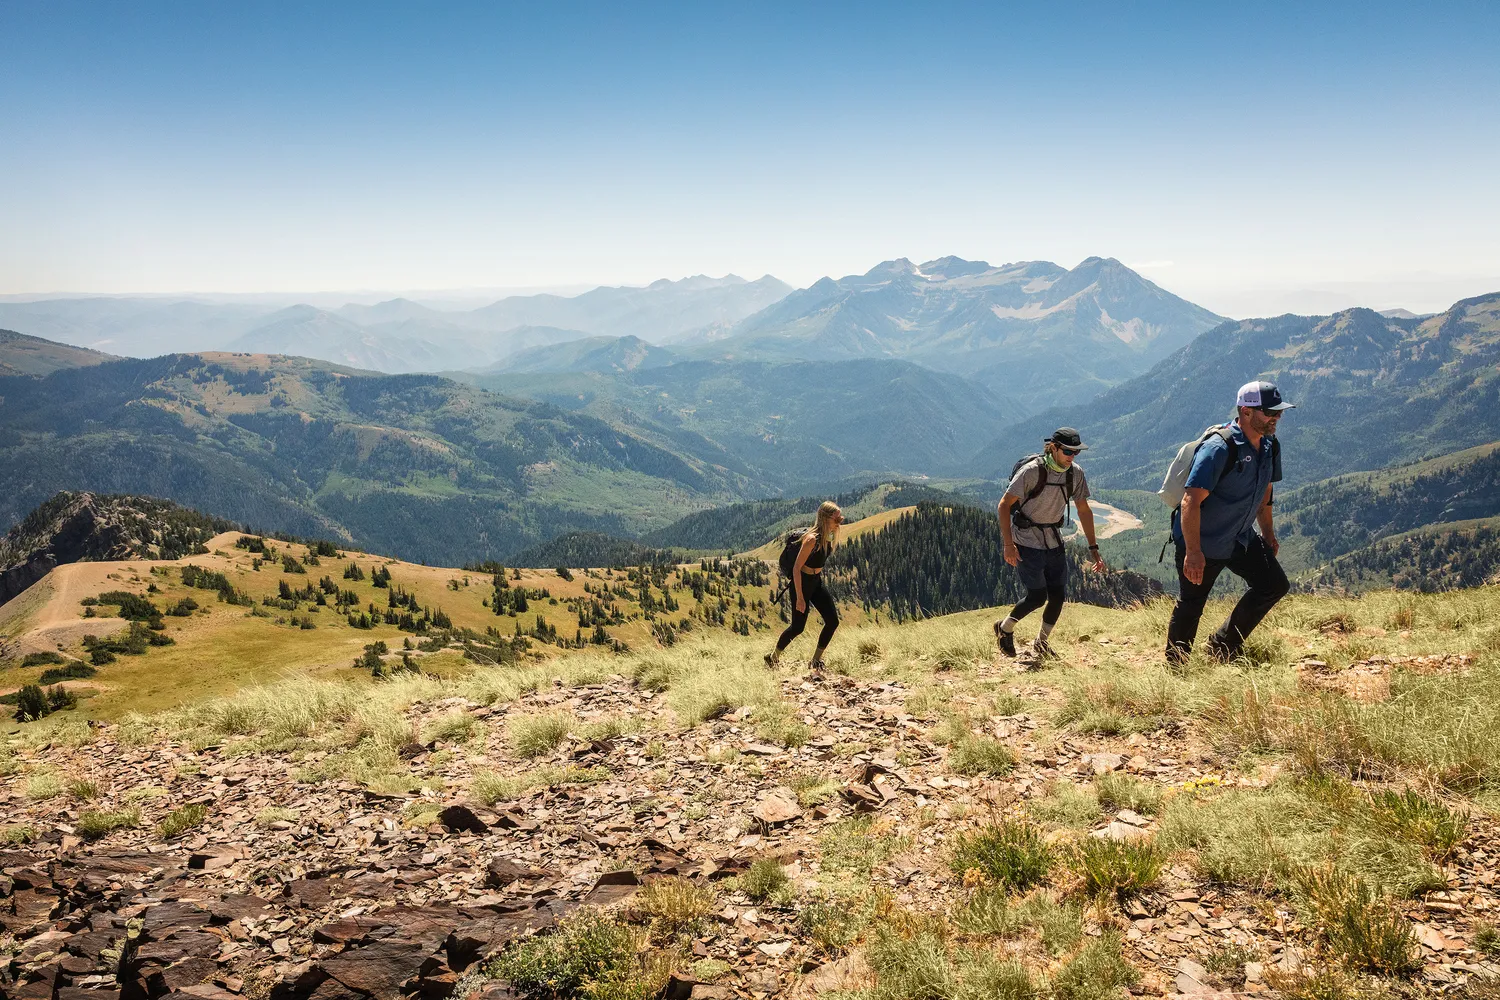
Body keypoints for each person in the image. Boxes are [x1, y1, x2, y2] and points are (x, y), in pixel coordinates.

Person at [1165, 380, 1294, 664]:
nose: (1278, 417)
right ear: (1246, 412)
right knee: (1192, 603)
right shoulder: (1219, 448)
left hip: (1240, 537)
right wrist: (1193, 552)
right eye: (1270, 412)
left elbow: (1265, 493)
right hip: (1204, 540)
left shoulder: (1270, 446)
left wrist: (1268, 533)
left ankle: (1222, 646)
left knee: (1273, 585)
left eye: (1279, 411)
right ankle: (1176, 669)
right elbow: (1190, 501)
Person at [995, 428, 1106, 659]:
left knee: (1058, 595)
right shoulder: (1032, 471)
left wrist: (1093, 547)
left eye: (1076, 452)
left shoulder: (1075, 473)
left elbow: (1084, 510)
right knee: (1037, 596)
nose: (1072, 456)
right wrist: (1008, 544)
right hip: (1026, 540)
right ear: (1053, 447)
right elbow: (1004, 505)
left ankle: (1041, 643)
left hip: (1053, 540)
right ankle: (1004, 629)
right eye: (1067, 451)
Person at [765, 501, 844, 670]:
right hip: (802, 582)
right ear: (825, 518)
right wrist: (800, 597)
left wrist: (835, 529)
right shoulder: (811, 539)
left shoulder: (829, 535)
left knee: (832, 621)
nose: (840, 522)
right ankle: (773, 657)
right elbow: (796, 568)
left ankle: (815, 661)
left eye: (841, 519)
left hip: (816, 582)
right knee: (797, 627)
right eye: (837, 519)